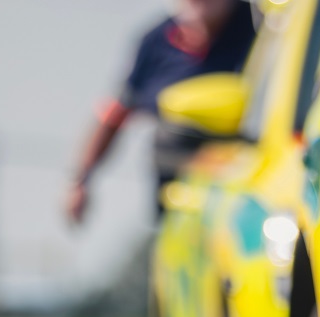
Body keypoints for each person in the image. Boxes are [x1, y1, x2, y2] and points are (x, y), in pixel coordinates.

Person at [66, 0, 257, 225]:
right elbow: (115, 114)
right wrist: (81, 181)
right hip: (182, 201)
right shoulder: (155, 42)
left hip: (248, 185)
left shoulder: (261, 25)